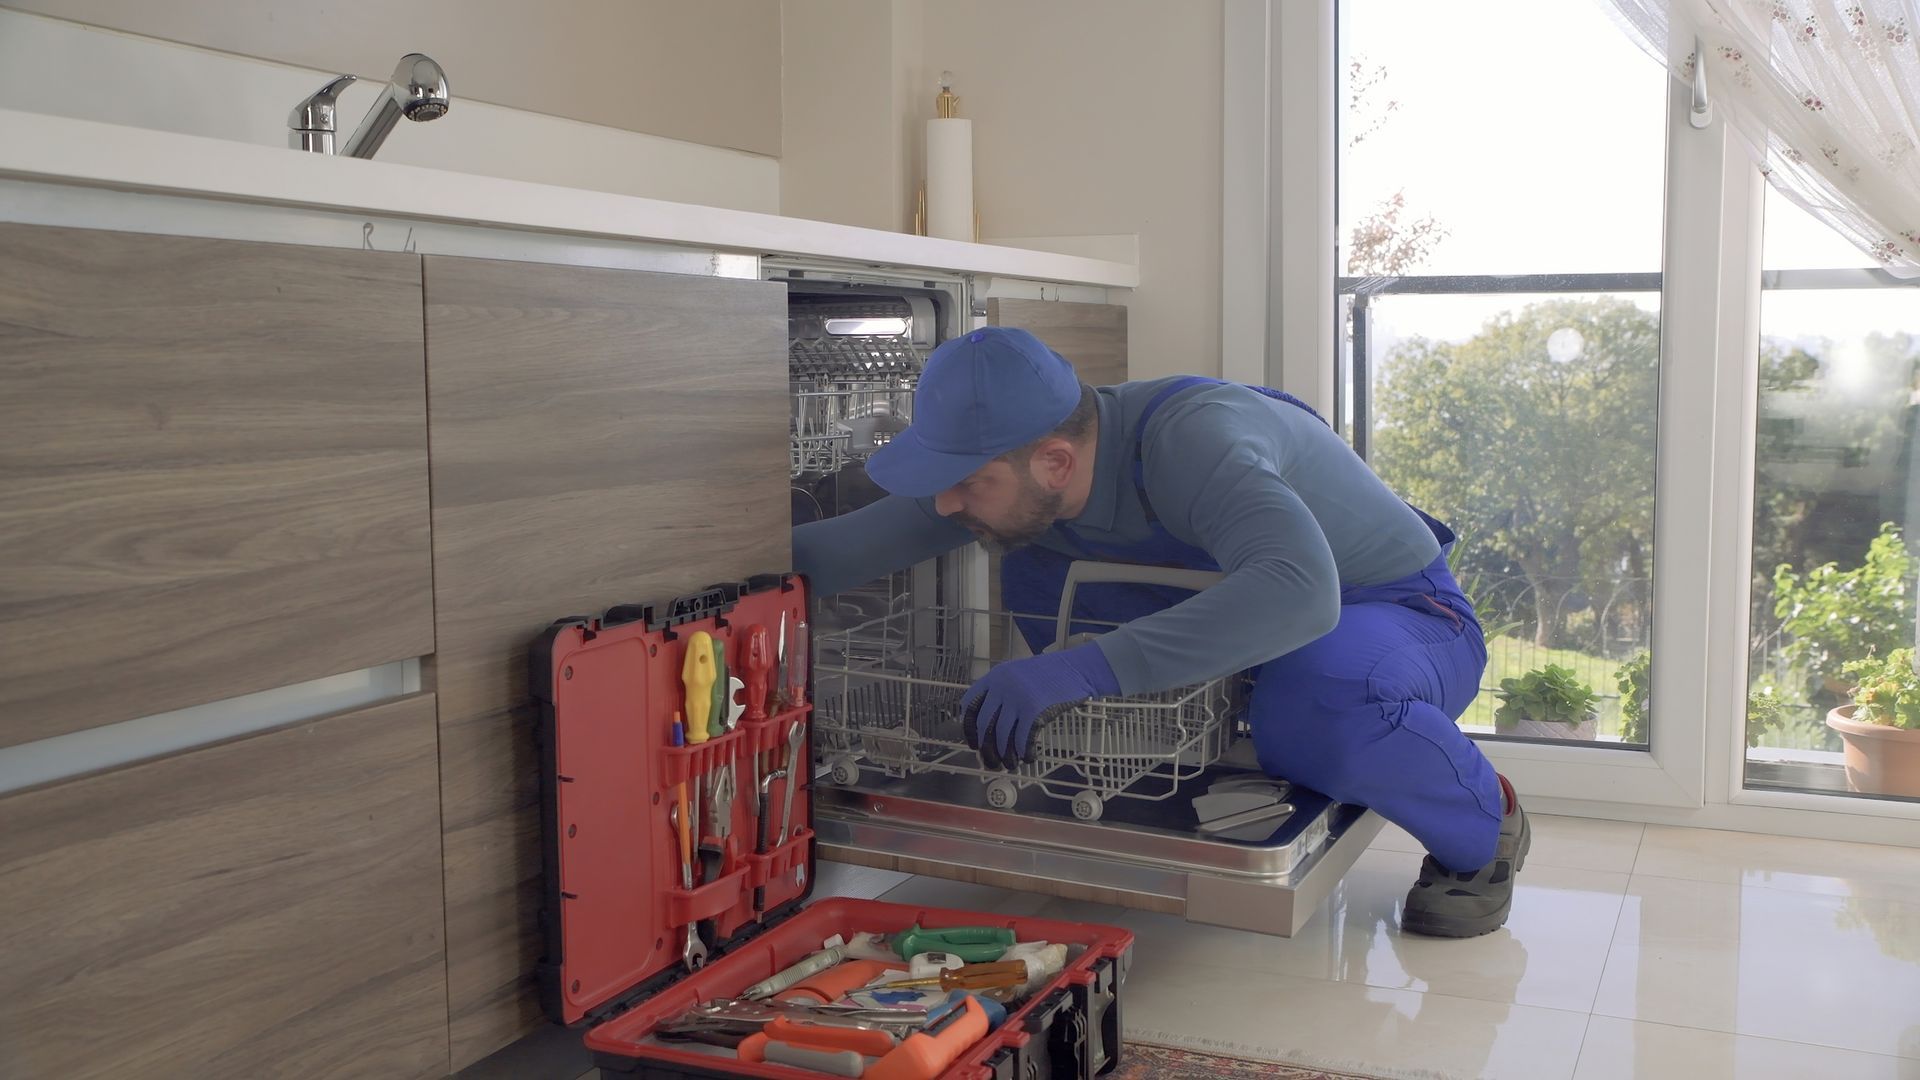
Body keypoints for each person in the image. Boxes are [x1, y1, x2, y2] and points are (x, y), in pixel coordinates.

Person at [792, 327, 1528, 937]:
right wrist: (708, 583)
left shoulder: (1192, 439)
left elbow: (1301, 592)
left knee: (1319, 704)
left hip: (1394, 611)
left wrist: (1080, 670)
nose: (945, 503)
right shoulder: (1016, 467)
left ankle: (1485, 821)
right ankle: (1190, 748)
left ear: (1055, 461)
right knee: (1030, 548)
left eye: (965, 480)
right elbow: (839, 549)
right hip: (1258, 607)